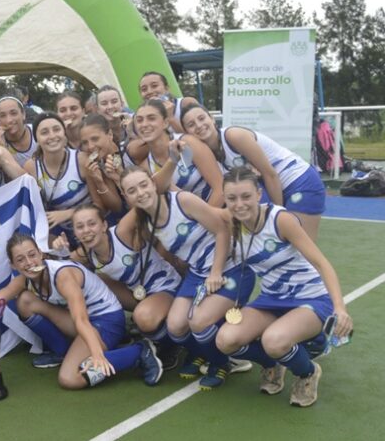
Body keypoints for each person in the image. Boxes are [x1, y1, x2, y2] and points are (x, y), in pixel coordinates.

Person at [0, 233, 163, 389]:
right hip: (85, 323)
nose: (28, 263)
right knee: (25, 301)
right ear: (13, 265)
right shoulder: (24, 279)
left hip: (106, 321)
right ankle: (63, 352)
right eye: (20, 259)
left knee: (70, 378)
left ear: (41, 254)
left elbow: (81, 320)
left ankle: (138, 352)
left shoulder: (63, 276)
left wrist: (97, 355)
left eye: (32, 255)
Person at [215, 166, 352, 407]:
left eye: (246, 196)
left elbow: (322, 264)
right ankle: (273, 364)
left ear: (259, 194)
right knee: (226, 340)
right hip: (272, 299)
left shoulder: (280, 220)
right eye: (232, 198)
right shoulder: (229, 221)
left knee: (274, 341)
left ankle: (307, 372)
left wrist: (339, 308)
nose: (239, 204)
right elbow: (192, 208)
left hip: (311, 297)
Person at [118, 165, 256, 390]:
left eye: (144, 185)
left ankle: (221, 363)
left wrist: (216, 272)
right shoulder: (146, 222)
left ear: (154, 184)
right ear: (126, 196)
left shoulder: (183, 201)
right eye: (132, 190)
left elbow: (222, 230)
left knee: (198, 322)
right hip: (198, 273)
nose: (140, 193)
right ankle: (203, 353)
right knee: (175, 326)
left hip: (228, 268)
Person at [53, 204, 182, 369]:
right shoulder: (85, 252)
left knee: (143, 317)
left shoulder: (122, 233)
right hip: (139, 294)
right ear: (75, 234)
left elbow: (144, 204)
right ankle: (119, 331)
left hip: (166, 287)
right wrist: (61, 252)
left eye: (92, 224)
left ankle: (170, 345)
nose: (86, 230)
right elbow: (61, 272)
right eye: (80, 227)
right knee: (96, 281)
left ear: (104, 225)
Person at [180, 104, 325, 241]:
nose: (199, 125)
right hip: (277, 187)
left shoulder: (233, 136)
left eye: (202, 118)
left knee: (300, 247)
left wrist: (275, 216)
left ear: (211, 118)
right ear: (186, 133)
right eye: (191, 124)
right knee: (281, 247)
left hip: (299, 180)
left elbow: (270, 174)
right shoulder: (207, 156)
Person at [135, 99, 225, 207]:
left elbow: (220, 188)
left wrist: (205, 217)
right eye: (139, 120)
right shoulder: (146, 167)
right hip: (188, 215)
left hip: (219, 208)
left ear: (165, 123)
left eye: (151, 118)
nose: (144, 124)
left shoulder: (187, 144)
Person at [23, 112, 96, 246]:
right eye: (44, 132)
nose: (52, 136)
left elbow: (101, 206)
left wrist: (69, 214)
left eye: (56, 129)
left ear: (64, 133)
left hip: (92, 227)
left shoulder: (81, 160)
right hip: (63, 235)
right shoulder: (31, 167)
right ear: (36, 139)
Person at [0, 96, 37, 167]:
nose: (9, 120)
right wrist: (2, 149)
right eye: (3, 115)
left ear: (23, 114)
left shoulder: (37, 132)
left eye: (13, 113)